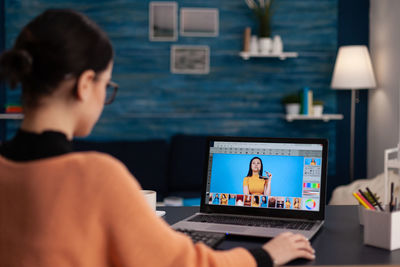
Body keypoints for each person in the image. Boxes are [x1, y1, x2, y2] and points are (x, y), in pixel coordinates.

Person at [0, 9, 315, 267]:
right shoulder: (95, 176)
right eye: (106, 86)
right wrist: (268, 254)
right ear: (85, 85)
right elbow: (187, 264)